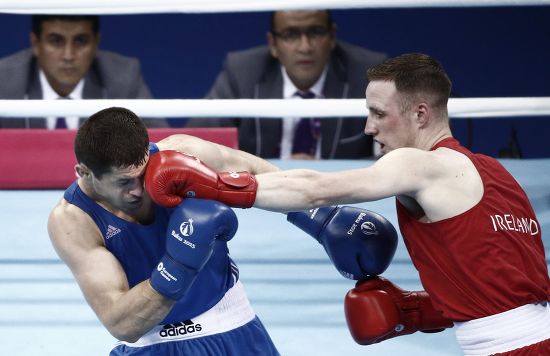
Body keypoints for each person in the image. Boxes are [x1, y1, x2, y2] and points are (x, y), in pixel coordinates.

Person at [145, 53, 550, 355]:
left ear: (421, 113)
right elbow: (508, 288)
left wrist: (214, 186)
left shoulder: (418, 163)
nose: (368, 127)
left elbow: (315, 190)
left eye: (378, 113)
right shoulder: (497, 173)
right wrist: (420, 311)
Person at [47, 107, 279, 355]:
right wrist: (178, 264)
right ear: (84, 172)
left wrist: (318, 217)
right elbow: (121, 323)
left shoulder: (186, 154)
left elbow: (271, 179)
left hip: (233, 326)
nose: (138, 190)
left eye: (142, 175)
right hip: (152, 344)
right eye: (124, 182)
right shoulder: (73, 221)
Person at [187, 10, 386, 159]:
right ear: (273, 43)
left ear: (332, 36)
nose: (305, 47)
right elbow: (197, 140)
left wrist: (332, 173)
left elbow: (395, 154)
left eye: (315, 32)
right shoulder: (242, 71)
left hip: (342, 194)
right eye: (290, 35)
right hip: (261, 192)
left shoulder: (366, 73)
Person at [0, 15, 166, 128]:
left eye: (80, 41)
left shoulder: (123, 77)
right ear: (36, 44)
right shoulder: (4, 80)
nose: (68, 55)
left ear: (96, 43)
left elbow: (158, 145)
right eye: (56, 41)